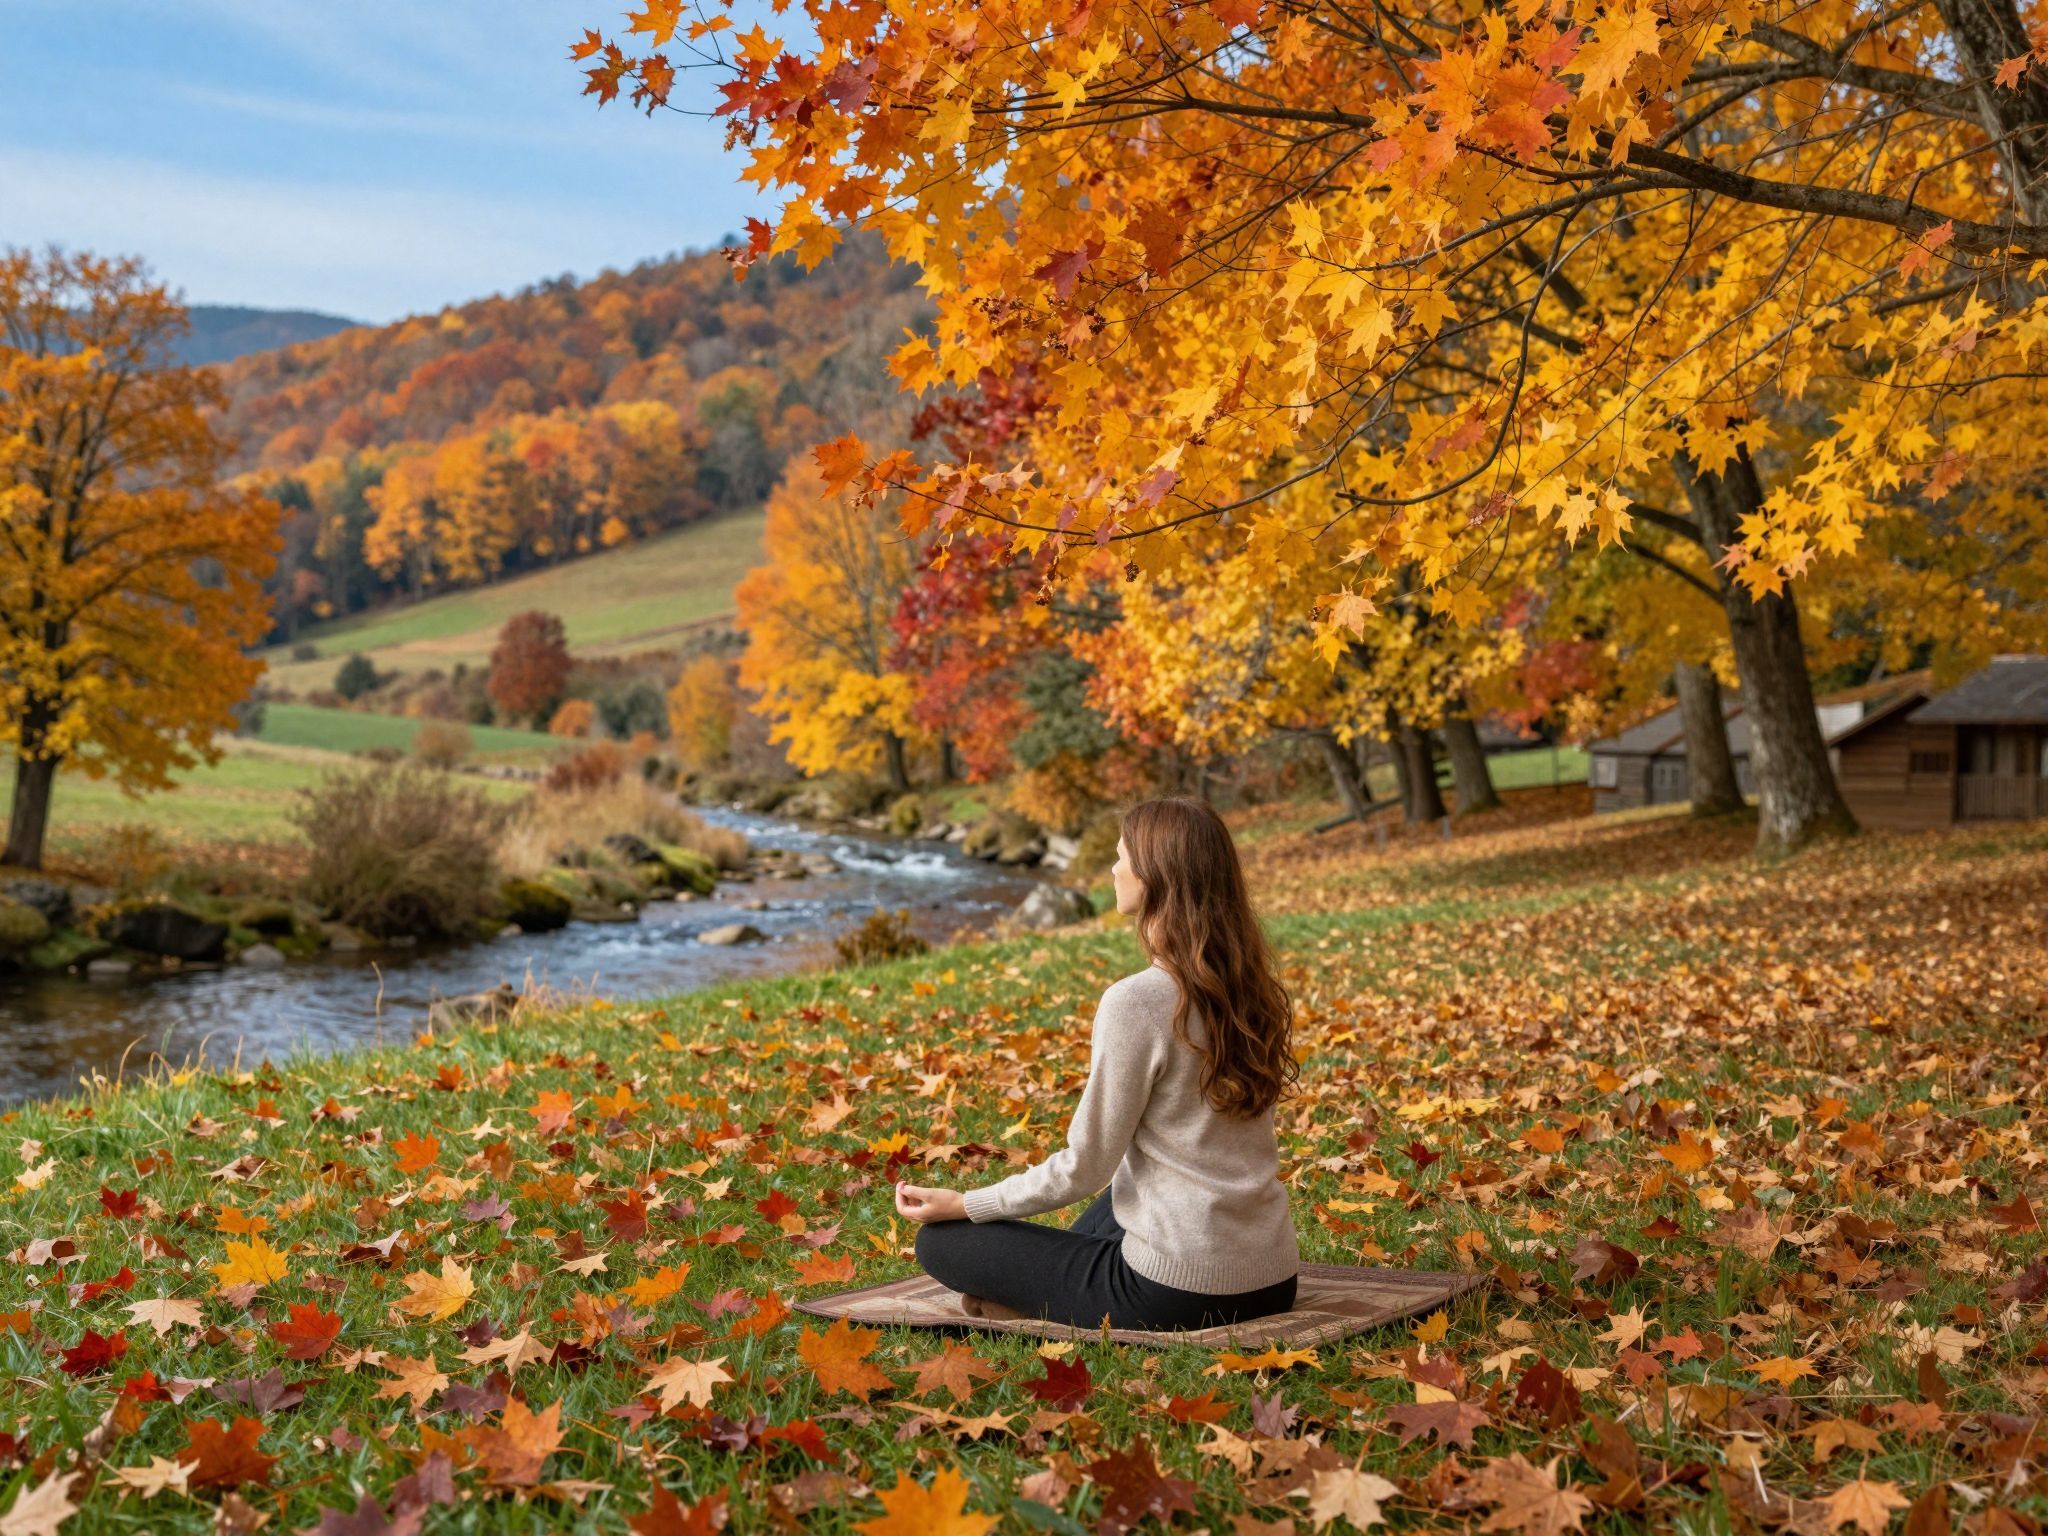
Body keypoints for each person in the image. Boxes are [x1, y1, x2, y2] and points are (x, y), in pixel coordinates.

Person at [895, 796, 1303, 1331]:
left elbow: (1084, 1166)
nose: (1113, 869)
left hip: (1177, 1293)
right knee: (1123, 1194)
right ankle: (1047, 1290)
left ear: (1155, 875)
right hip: (1272, 1279)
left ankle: (1032, 1304)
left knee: (942, 1242)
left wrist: (966, 1204)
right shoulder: (1250, 989)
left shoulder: (1138, 1002)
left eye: (1122, 856)